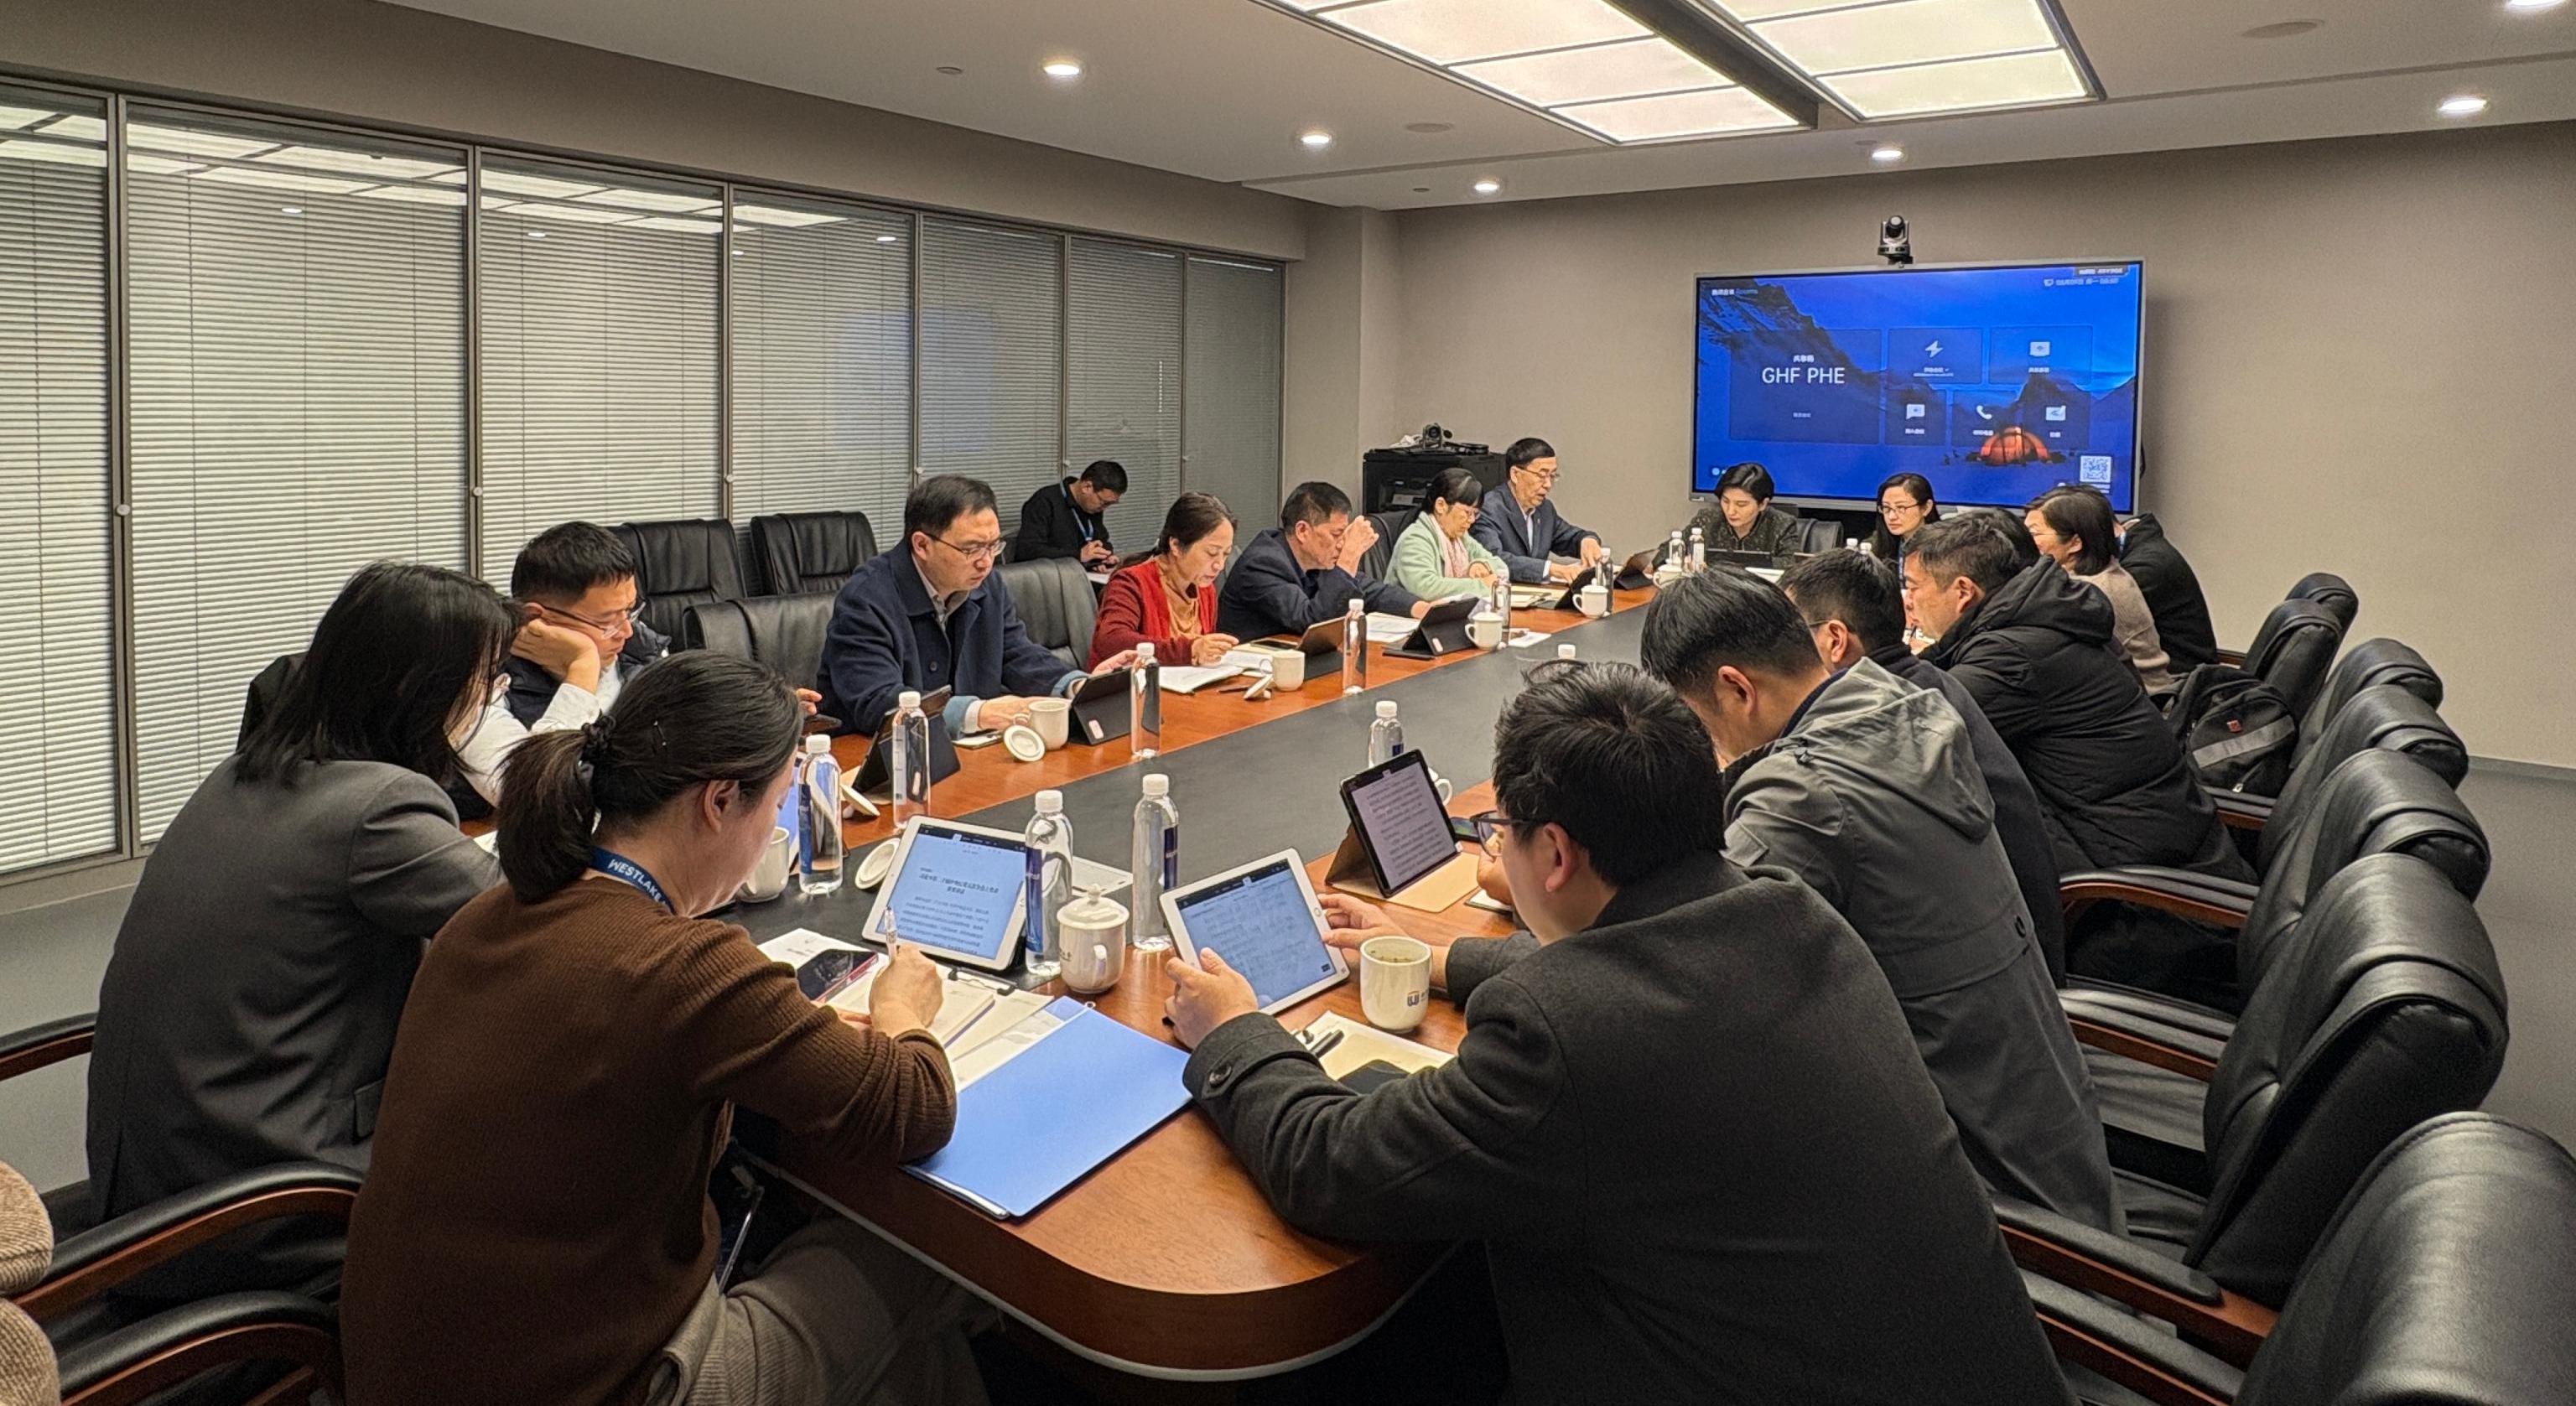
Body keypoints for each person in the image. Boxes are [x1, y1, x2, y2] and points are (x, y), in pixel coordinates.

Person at [1162, 664, 2071, 1403]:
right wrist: (1438, 961)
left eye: (1501, 831)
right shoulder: (1789, 912)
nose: (1498, 848)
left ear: (1555, 853)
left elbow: (1330, 1166)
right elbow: (1632, 971)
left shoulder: (1564, 1036)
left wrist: (1235, 1031)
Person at [341, 652, 984, 1406]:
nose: (773, 832)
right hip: (607, 1384)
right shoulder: (683, 966)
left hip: (400, 1366)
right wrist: (902, 1008)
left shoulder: (487, 914)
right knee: (926, 1253)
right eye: (779, 806)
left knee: (905, 1363)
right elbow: (915, 1106)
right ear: (720, 801)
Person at [1640, 569, 2118, 1229]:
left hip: (1988, 1211)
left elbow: (1670, 961)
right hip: (2055, 1151)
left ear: (1736, 688)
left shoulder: (1807, 793)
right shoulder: (1901, 705)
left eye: (1698, 724)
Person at [85, 562, 514, 1294]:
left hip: (151, 1183)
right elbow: (538, 922)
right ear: (420, 688)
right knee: (542, 1160)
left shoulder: (244, 771)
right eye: (485, 683)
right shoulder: (381, 807)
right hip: (263, 1209)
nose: (490, 699)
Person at [1780, 550, 2070, 985]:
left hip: (1989, 979)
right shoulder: (1925, 687)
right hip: (2013, 953)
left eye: (1786, 633)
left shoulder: (1877, 725)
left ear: (1835, 640)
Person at [1906, 516, 2251, 883]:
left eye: (1912, 587)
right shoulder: (2042, 618)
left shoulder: (2015, 655)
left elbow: (1912, 734)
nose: (1907, 602)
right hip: (2150, 835)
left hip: (2128, 877)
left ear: (1963, 591)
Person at [818, 474, 1130, 736]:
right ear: (922, 545)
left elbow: (1015, 653)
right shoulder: (867, 597)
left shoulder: (986, 584)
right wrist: (979, 713)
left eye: (993, 546)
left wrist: (1076, 687)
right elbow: (877, 701)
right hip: (875, 760)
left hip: (968, 752)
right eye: (971, 549)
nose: (986, 562)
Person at [455, 521, 669, 807]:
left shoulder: (643, 650)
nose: (627, 631)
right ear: (536, 618)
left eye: (629, 611)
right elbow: (528, 794)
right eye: (606, 621)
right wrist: (583, 666)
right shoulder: (484, 685)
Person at [1214, 481, 1429, 641]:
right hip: (1249, 674)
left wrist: (1420, 608)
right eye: (1336, 535)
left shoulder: (1317, 559)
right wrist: (1349, 558)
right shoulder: (1263, 563)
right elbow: (1313, 624)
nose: (1341, 544)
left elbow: (1369, 590)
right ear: (1302, 531)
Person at [2027, 486, 2173, 695]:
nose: (2026, 541)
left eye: (2033, 533)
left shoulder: (2088, 593)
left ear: (2075, 543)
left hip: (2142, 698)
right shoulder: (2106, 572)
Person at [1088, 492, 1239, 667]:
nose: (1220, 565)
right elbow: (1111, 641)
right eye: (1212, 553)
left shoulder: (1205, 588)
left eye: (1226, 554)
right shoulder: (1130, 582)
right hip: (1133, 683)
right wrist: (1189, 650)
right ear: (1176, 546)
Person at [1468, 436, 1602, 584]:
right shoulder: (1488, 509)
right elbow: (1493, 559)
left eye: (1552, 476)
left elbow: (1569, 537)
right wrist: (1552, 569)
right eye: (1542, 475)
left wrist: (1587, 540)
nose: (1548, 484)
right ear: (1515, 475)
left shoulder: (1544, 509)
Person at [2118, 511, 2218, 673]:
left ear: (2076, 543)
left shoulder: (2144, 569)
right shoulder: (2144, 549)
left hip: (2179, 679)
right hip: (2180, 670)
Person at [1388, 466, 1508, 602]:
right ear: (1441, 505)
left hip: (1451, 612)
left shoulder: (1460, 538)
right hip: (1409, 614)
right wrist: (1481, 585)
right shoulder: (1415, 539)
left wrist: (1481, 564)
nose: (1472, 520)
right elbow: (1427, 588)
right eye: (1467, 512)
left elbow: (1502, 568)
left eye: (1475, 514)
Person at [1010, 458, 1124, 567]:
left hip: (1081, 573)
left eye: (1110, 504)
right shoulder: (1043, 502)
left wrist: (1103, 558)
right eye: (1103, 502)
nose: (1104, 508)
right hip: (1048, 575)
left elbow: (1100, 540)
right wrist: (1077, 555)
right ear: (1087, 487)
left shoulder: (1092, 507)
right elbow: (1027, 551)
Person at [1689, 461, 1805, 556]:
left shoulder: (1781, 524)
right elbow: (1678, 550)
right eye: (1725, 501)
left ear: (1763, 504)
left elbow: (1792, 565)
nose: (1730, 511)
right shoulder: (1707, 519)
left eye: (1741, 504)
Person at [1863, 471, 1940, 578]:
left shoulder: (1944, 547)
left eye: (1901, 508)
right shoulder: (1876, 544)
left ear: (1926, 508)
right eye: (1886, 508)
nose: (1891, 516)